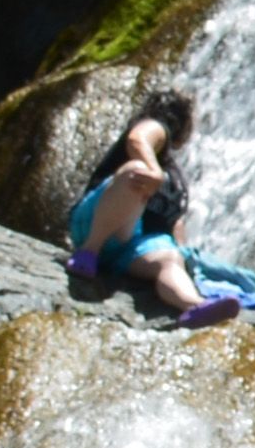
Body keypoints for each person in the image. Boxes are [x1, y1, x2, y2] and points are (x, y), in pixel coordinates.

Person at [65, 88, 236, 327]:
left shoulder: (175, 176)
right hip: (95, 223)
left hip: (130, 247)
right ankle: (88, 252)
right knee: (137, 171)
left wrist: (183, 256)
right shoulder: (156, 128)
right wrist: (153, 171)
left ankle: (194, 306)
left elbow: (174, 221)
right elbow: (138, 138)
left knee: (169, 259)